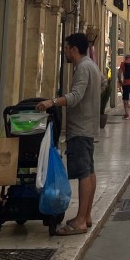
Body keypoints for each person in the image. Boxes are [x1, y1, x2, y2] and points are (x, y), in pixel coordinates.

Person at [36, 32, 100, 235]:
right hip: (88, 127)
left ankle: (80, 220)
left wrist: (52, 101)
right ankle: (86, 215)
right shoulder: (92, 65)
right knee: (89, 171)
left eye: (66, 48)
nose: (65, 51)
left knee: (83, 172)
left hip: (80, 128)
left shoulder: (83, 67)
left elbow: (75, 96)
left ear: (74, 49)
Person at [117, 54, 130, 119]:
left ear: (125, 58)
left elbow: (119, 73)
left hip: (126, 83)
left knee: (125, 98)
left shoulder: (123, 64)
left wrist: (120, 80)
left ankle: (127, 114)